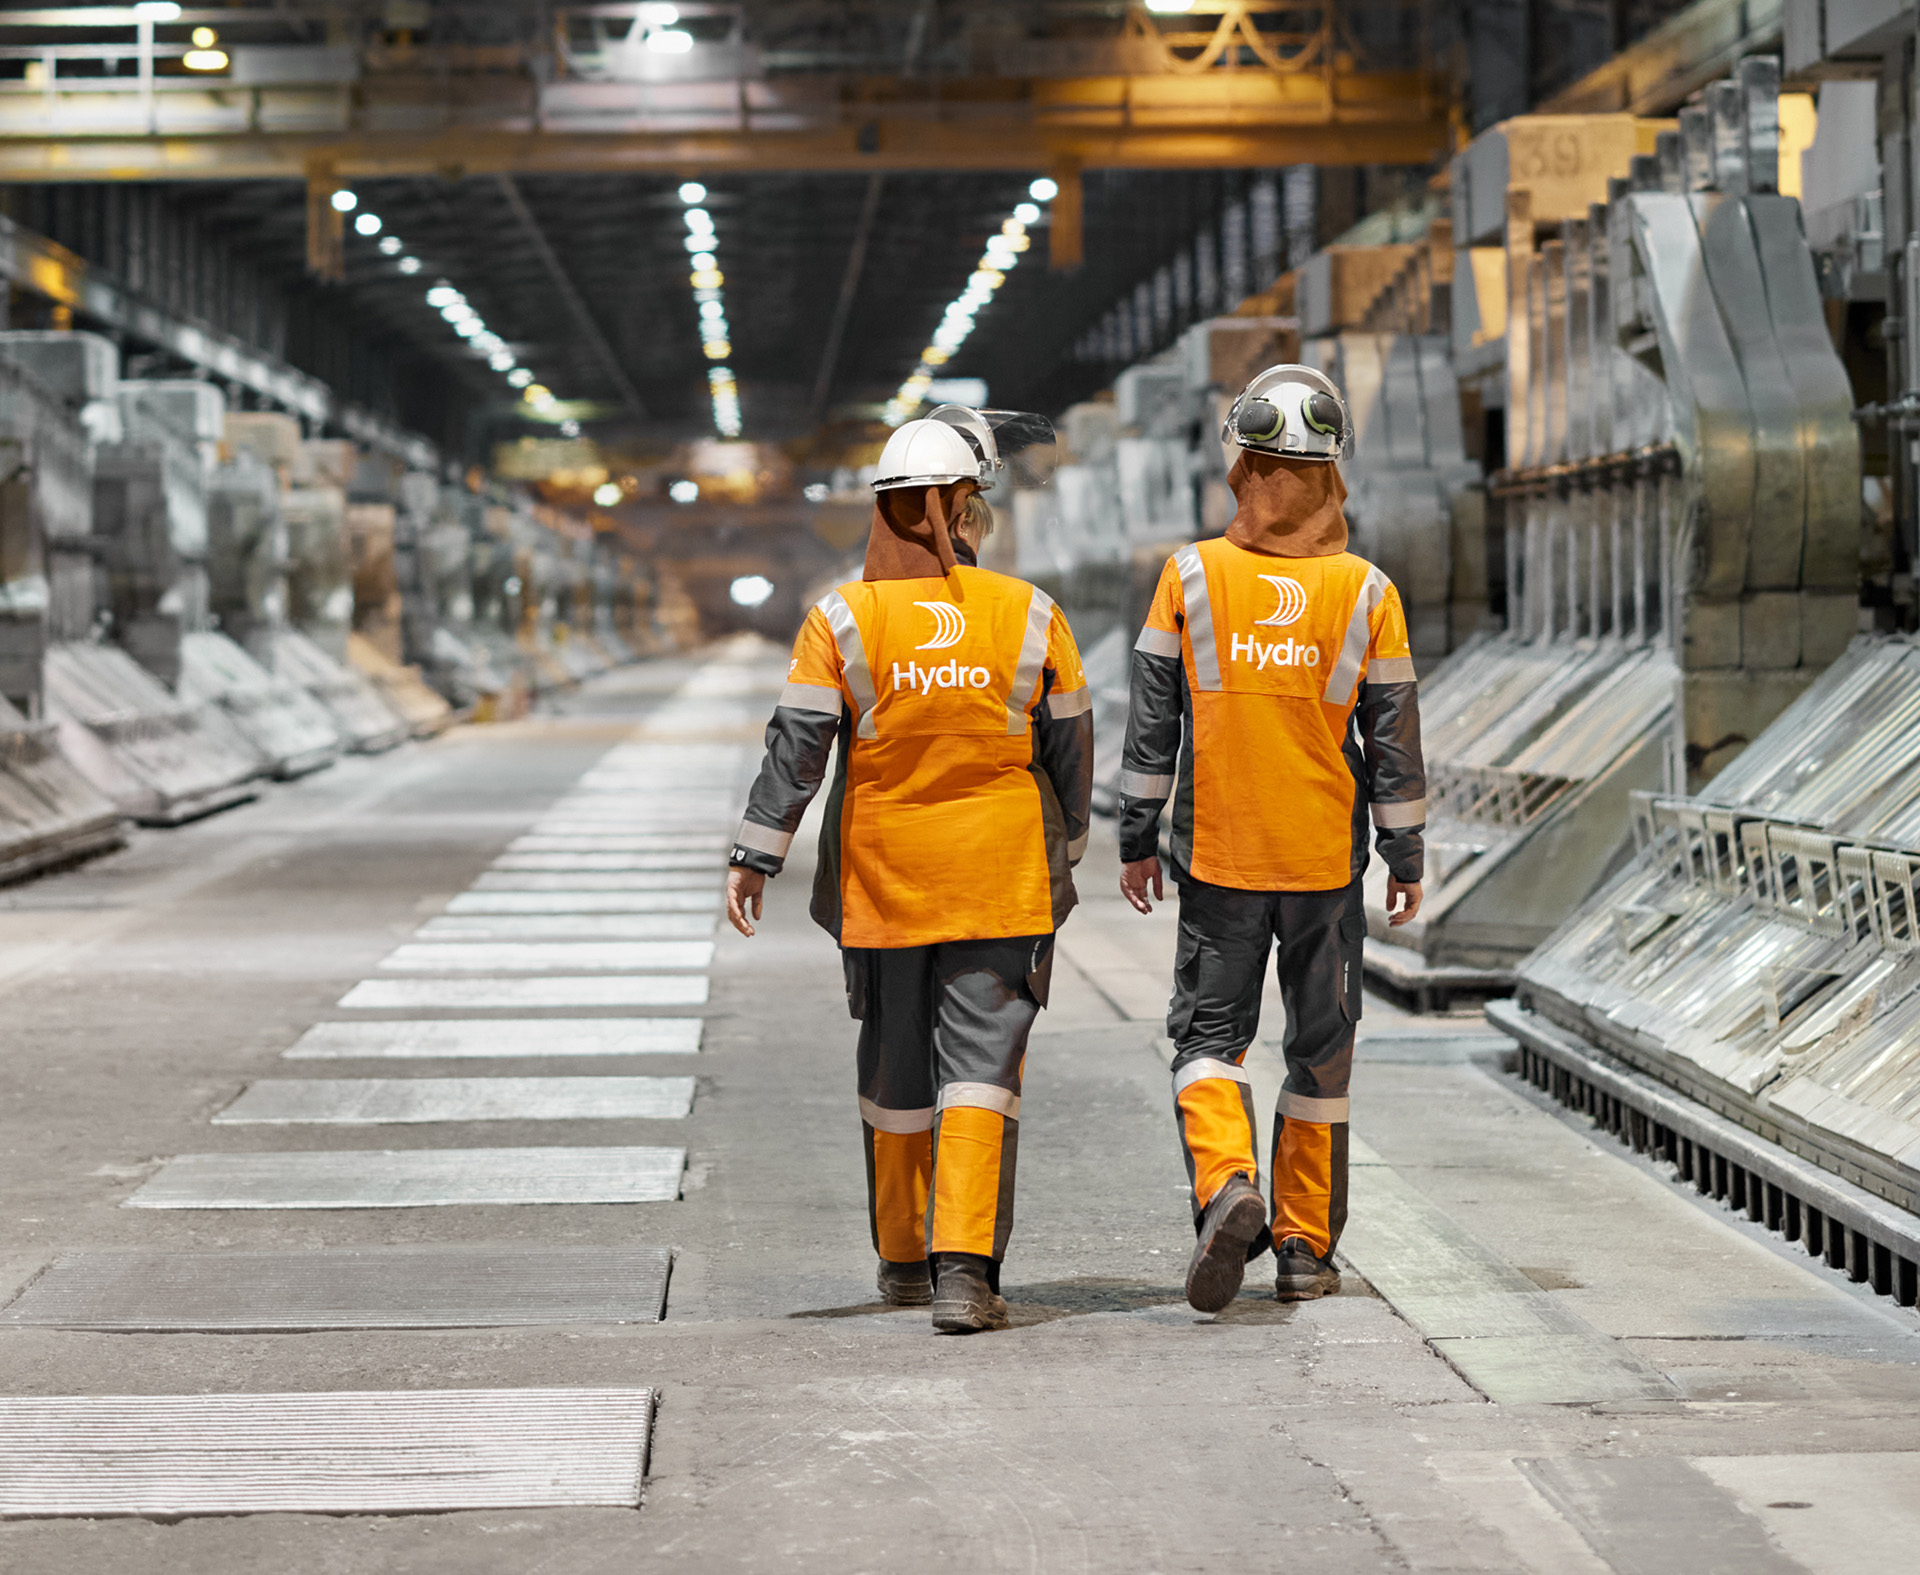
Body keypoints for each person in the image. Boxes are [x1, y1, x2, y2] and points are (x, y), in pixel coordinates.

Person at [725, 408, 1093, 1334]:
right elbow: (1070, 748)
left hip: (883, 884)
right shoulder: (1029, 612)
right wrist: (1068, 848)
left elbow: (798, 746)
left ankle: (901, 1260)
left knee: (894, 1066)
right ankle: (964, 1272)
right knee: (982, 1073)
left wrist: (757, 853)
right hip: (1000, 880)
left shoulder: (842, 617)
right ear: (961, 509)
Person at [1115, 365, 1426, 1312]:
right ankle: (1302, 1247)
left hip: (1221, 857)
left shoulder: (1190, 576)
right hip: (1324, 862)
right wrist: (1406, 853)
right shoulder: (1368, 591)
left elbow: (1153, 724)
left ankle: (1227, 1184)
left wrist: (1136, 833)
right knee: (1320, 1056)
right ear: (1333, 472)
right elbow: (1393, 736)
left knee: (1209, 1039)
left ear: (1241, 466)